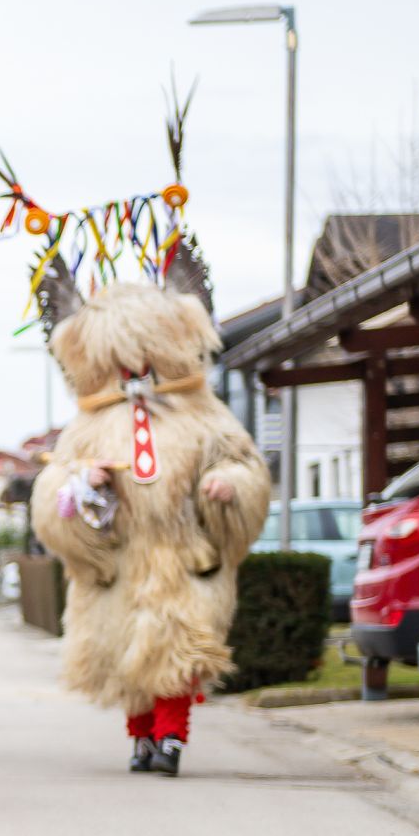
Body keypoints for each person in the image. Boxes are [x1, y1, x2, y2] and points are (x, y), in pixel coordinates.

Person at [28, 265, 269, 776]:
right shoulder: (88, 423)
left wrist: (228, 486)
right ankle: (140, 737)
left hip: (182, 558)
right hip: (121, 561)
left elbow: (242, 462)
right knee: (125, 652)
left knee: (179, 650)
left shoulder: (203, 412)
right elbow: (53, 487)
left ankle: (172, 738)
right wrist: (81, 484)